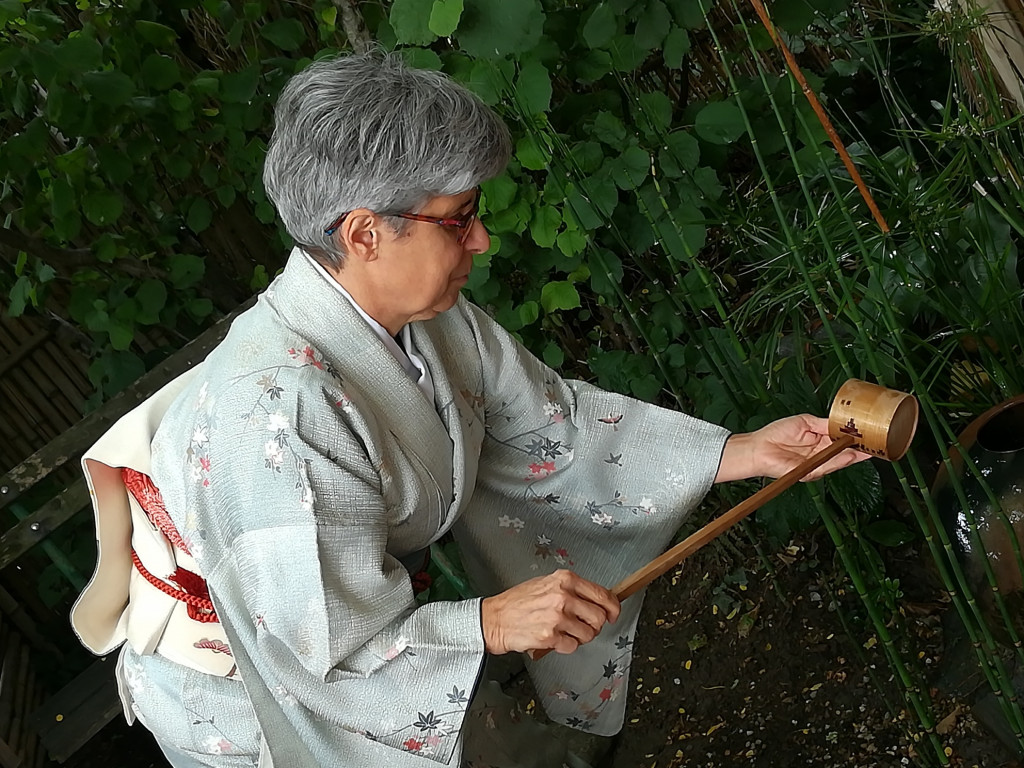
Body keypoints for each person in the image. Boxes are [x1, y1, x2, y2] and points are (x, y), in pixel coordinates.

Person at [70, 51, 865, 768]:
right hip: (249, 697)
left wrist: (744, 454)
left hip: (358, 628)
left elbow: (550, 427)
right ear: (363, 233)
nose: (481, 240)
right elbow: (327, 651)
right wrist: (483, 625)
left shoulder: (424, 313)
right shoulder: (278, 411)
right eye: (459, 219)